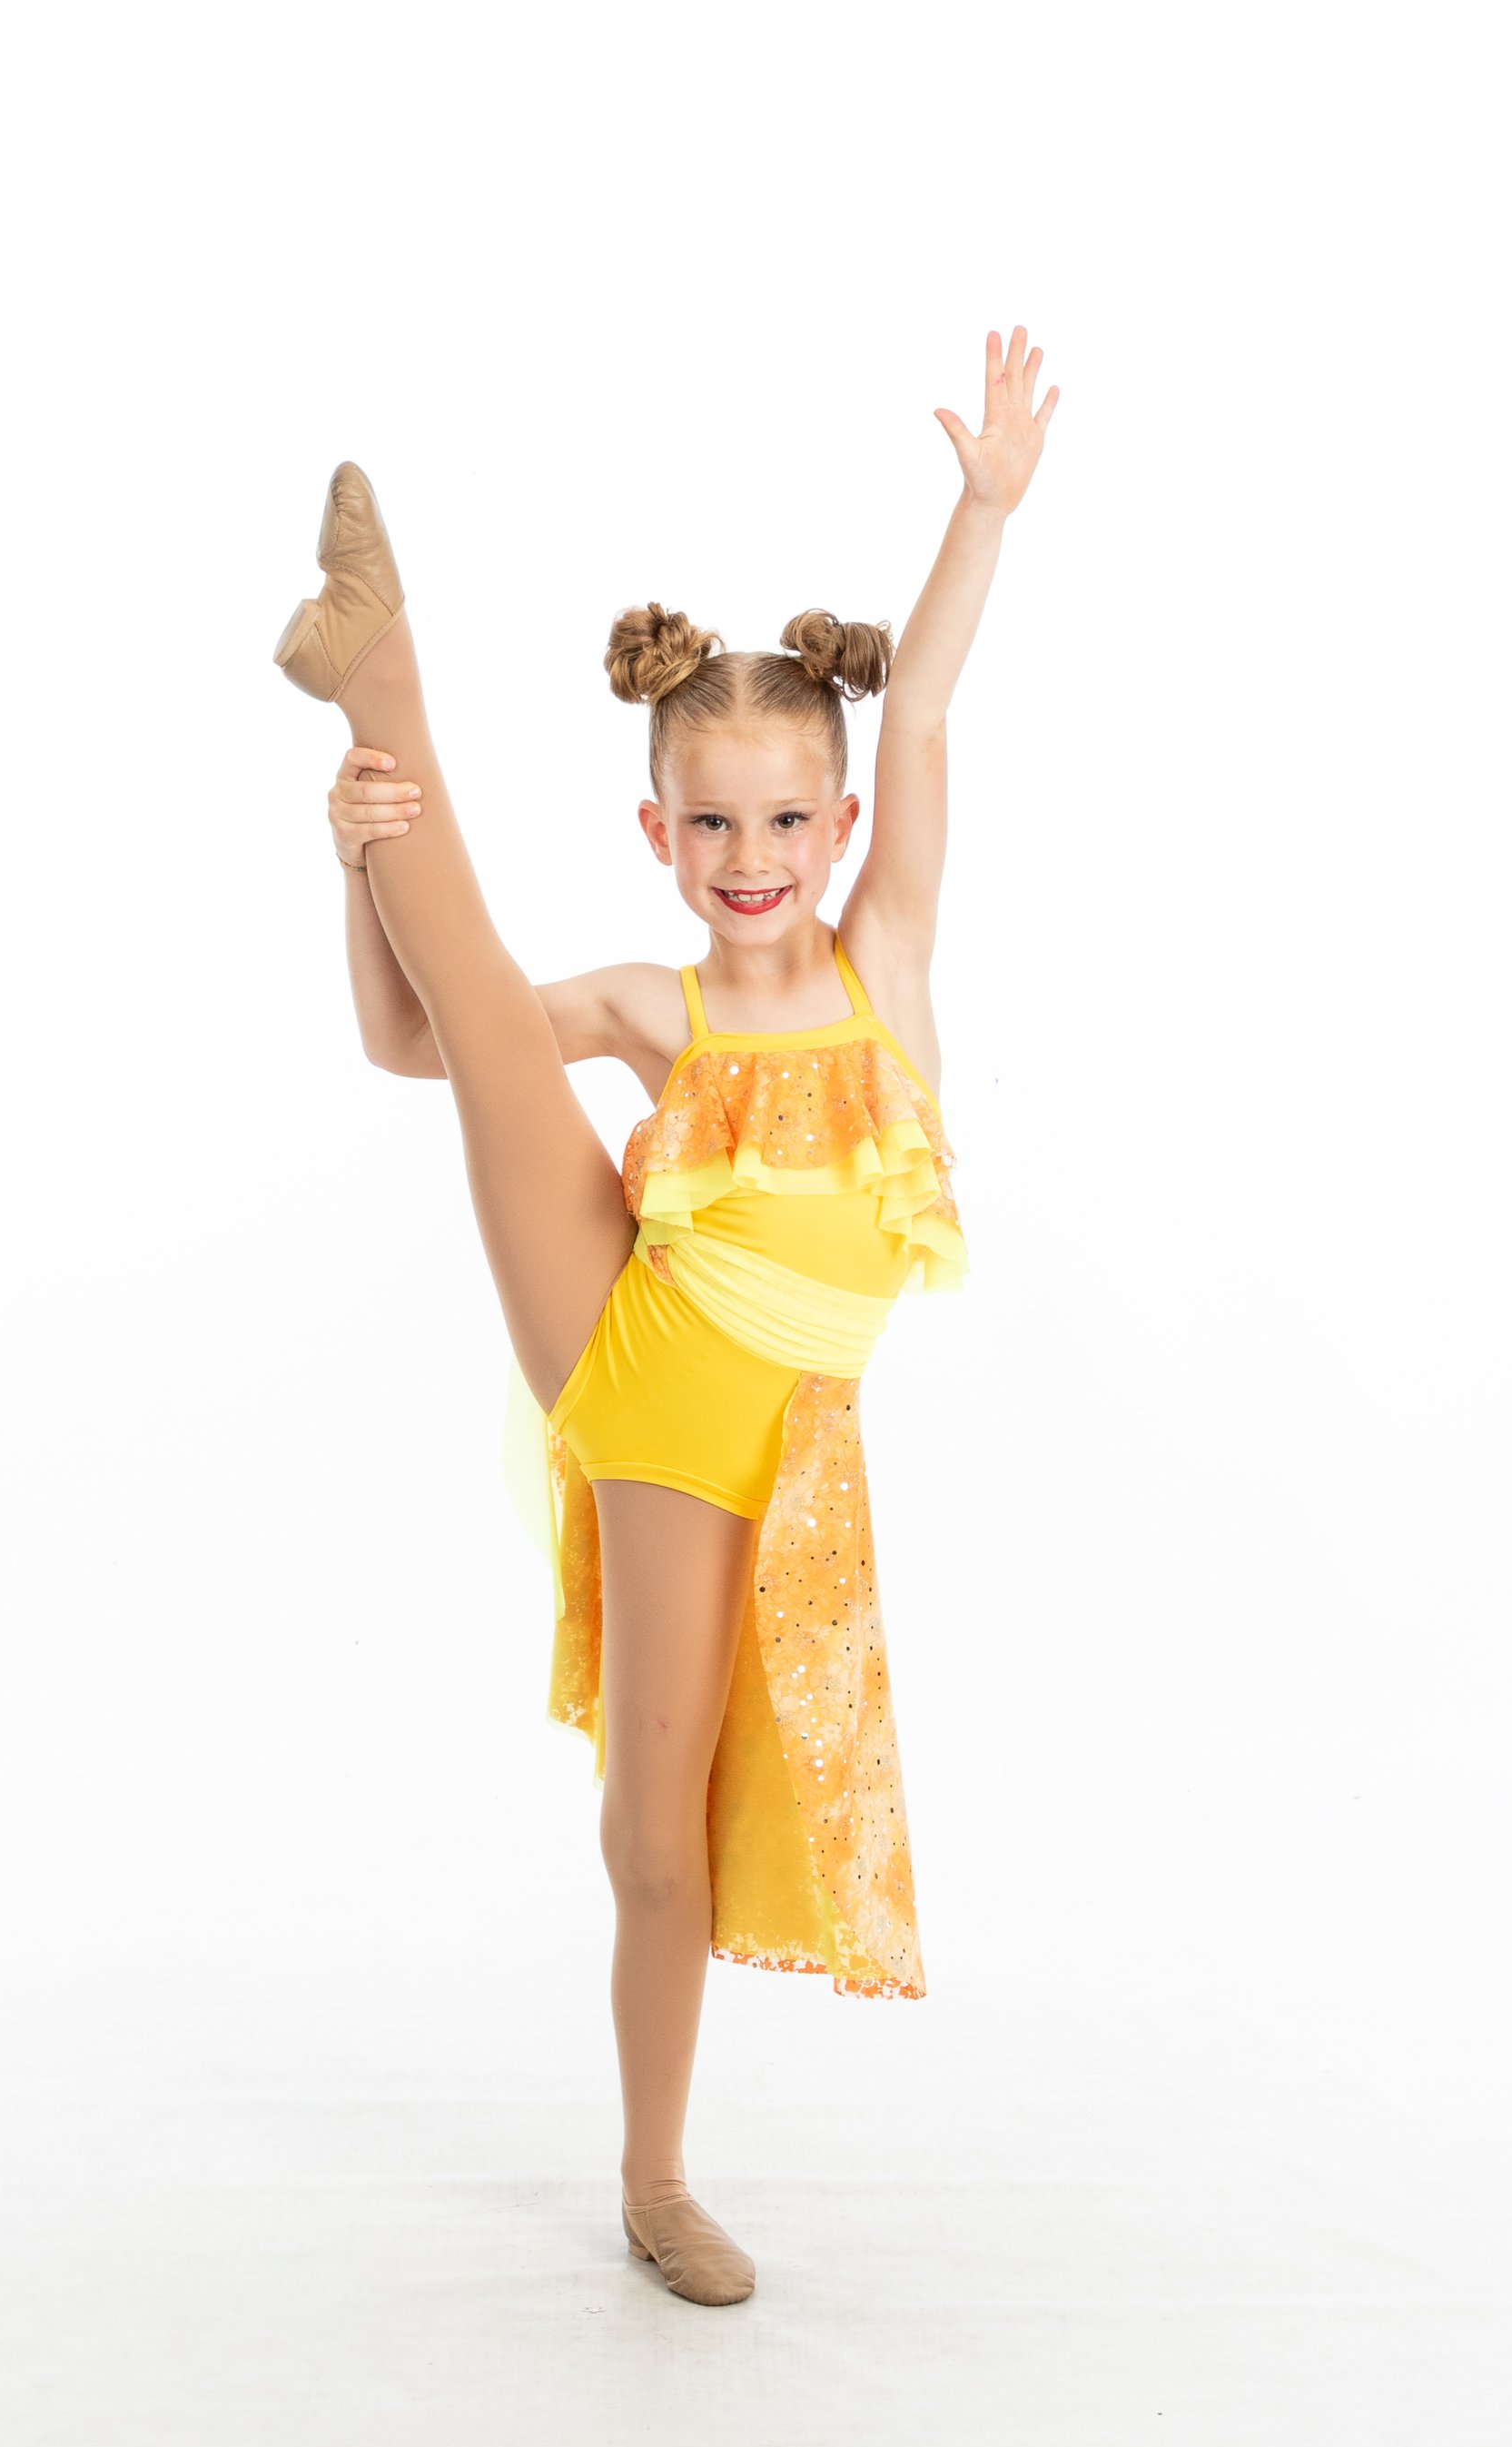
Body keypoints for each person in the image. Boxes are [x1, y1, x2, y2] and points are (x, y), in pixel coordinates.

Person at [272, 330, 1060, 2304]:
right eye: (708, 828)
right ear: (656, 834)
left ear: (841, 827)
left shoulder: (883, 965)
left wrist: (977, 509)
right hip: (629, 1370)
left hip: (754, 1452)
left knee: (654, 1834)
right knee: (648, 1835)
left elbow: (936, 707)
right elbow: (411, 1042)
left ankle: (649, 2175)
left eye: (784, 825)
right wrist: (352, 855)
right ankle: (382, 695)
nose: (748, 865)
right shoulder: (655, 1002)